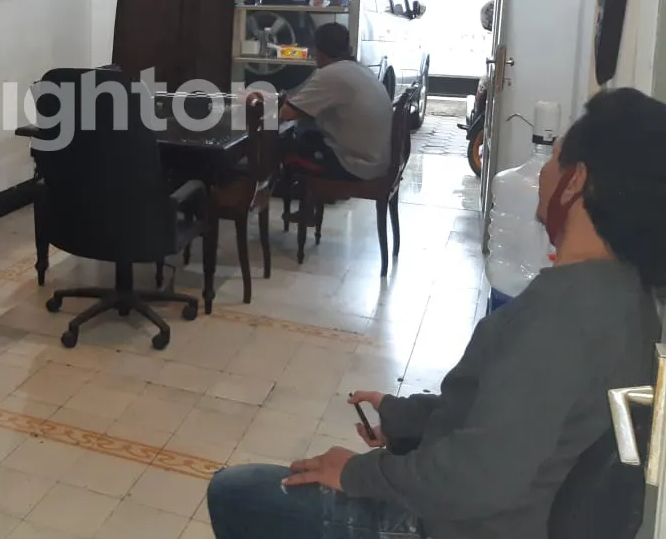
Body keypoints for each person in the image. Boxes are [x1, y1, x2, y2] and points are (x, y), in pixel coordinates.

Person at [208, 88, 665, 539]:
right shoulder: (628, 298)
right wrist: (403, 417)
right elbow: (511, 421)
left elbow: (478, 478)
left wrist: (356, 473)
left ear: (577, 180)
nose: (544, 174)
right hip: (506, 509)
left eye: (555, 159)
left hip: (459, 525)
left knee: (238, 492)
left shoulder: (563, 319)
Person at [278, 22, 392, 180]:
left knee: (283, 146)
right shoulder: (359, 69)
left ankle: (262, 190)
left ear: (318, 50)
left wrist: (257, 101)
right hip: (376, 160)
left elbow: (286, 114)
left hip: (356, 165)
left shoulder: (331, 74)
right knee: (307, 130)